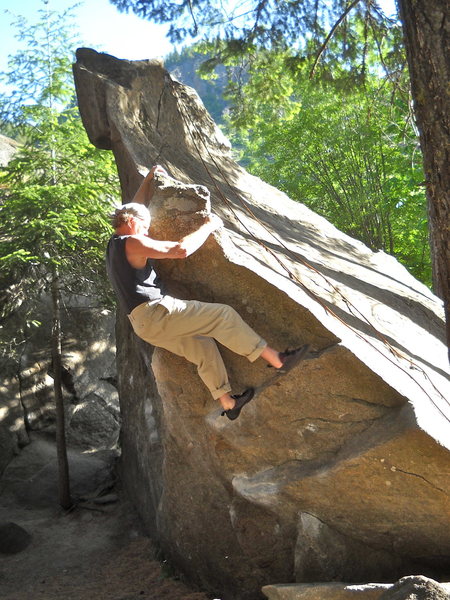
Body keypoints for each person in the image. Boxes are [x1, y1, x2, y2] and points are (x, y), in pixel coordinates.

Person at [106, 165, 309, 420]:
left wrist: (148, 179)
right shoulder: (133, 241)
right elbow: (180, 250)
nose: (148, 231)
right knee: (222, 316)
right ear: (133, 223)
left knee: (202, 346)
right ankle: (278, 359)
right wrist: (209, 225)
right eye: (145, 226)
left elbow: (134, 208)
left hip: (144, 326)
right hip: (156, 312)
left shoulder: (113, 245)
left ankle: (228, 403)